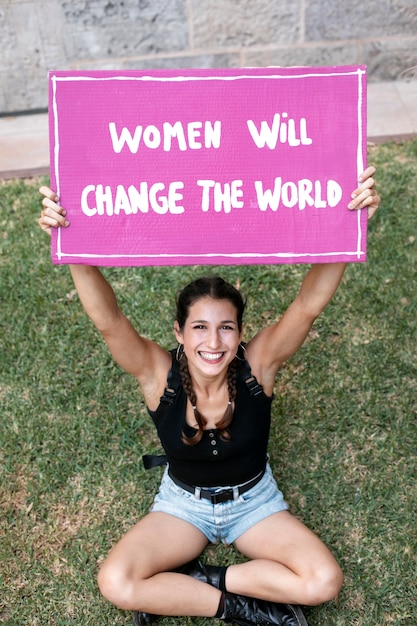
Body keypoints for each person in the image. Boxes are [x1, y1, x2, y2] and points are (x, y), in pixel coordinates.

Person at [38, 168, 380, 626]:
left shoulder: (257, 367)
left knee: (322, 581)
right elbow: (110, 321)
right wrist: (71, 243)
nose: (213, 342)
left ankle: (202, 580)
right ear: (179, 332)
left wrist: (350, 224)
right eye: (200, 327)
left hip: (254, 503)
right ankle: (236, 605)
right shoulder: (159, 375)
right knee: (117, 581)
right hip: (183, 505)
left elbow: (307, 306)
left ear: (240, 334)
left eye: (226, 327)